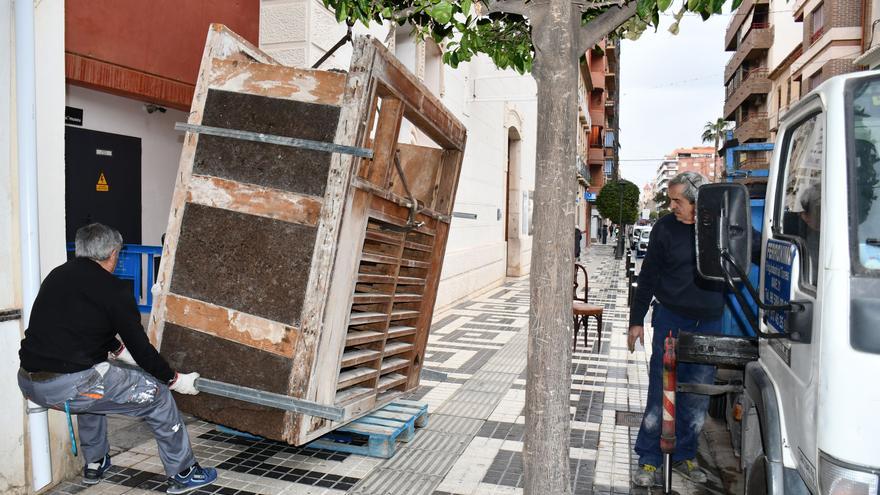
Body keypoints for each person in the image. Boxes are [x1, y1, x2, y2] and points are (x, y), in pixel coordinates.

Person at [17, 223, 217, 494]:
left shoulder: (58, 276)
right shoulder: (113, 289)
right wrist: (174, 379)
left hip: (30, 383)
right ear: (113, 253)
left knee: (98, 382)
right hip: (69, 386)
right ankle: (184, 472)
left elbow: (77, 328)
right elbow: (143, 350)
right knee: (157, 395)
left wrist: (119, 351)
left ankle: (95, 462)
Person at [627, 172, 724, 487]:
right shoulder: (664, 229)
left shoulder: (719, 227)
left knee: (697, 397)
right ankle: (650, 459)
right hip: (670, 319)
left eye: (677, 201)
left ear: (697, 202)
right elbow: (649, 275)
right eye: (671, 200)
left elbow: (751, 247)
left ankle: (685, 455)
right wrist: (636, 321)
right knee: (660, 391)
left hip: (708, 323)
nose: (672, 206)